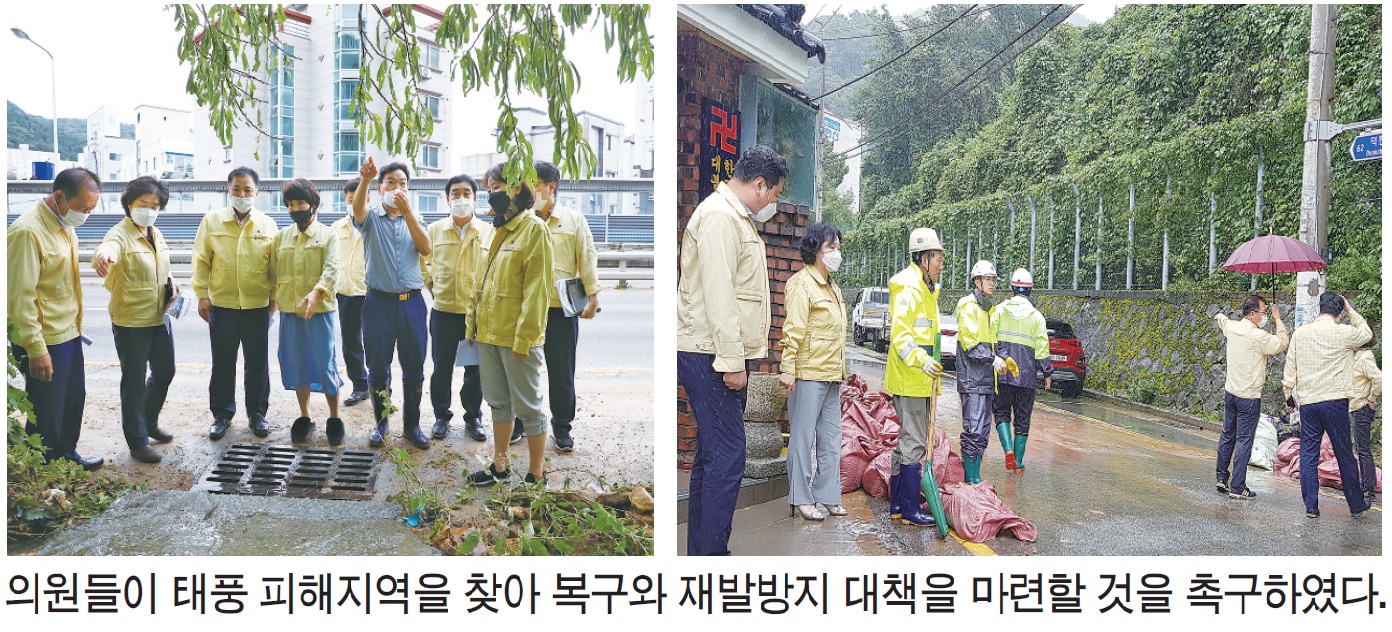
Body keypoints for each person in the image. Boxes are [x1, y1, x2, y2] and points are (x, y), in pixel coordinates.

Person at [676, 145, 784, 554]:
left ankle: (704, 551)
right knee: (728, 459)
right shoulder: (721, 217)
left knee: (712, 456)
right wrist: (733, 361)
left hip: (712, 351)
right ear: (759, 184)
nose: (771, 203)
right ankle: (711, 556)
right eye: (772, 195)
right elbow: (721, 295)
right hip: (712, 354)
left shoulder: (730, 216)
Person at [8, 167, 103, 470]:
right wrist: (36, 350)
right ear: (60, 196)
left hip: (69, 332)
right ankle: (45, 474)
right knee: (47, 410)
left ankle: (67, 457)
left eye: (91, 208)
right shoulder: (27, 232)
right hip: (45, 339)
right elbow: (19, 299)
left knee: (73, 398)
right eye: (82, 208)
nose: (86, 214)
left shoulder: (63, 223)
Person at [466, 163, 553, 487]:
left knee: (528, 407)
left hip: (517, 340)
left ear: (517, 189)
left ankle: (535, 474)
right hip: (489, 334)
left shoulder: (534, 230)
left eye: (497, 187)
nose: (492, 194)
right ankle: (500, 467)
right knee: (498, 403)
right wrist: (472, 327)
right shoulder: (497, 228)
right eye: (489, 188)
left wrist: (524, 339)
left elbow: (537, 290)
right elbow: (482, 282)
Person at [91, 176, 177, 463]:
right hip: (131, 320)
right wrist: (102, 257)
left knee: (165, 370)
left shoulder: (156, 232)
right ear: (129, 204)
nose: (150, 209)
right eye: (144, 204)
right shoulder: (120, 234)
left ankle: (149, 421)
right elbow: (107, 249)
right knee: (134, 381)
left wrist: (173, 288)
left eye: (155, 205)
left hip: (159, 317)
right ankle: (138, 441)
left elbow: (161, 269)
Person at [516, 160, 601, 452]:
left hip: (559, 309)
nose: (527, 189)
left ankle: (562, 427)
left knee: (562, 371)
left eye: (533, 184)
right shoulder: (520, 219)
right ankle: (519, 421)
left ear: (550, 187)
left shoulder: (573, 220)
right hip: (524, 307)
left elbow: (586, 256)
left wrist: (592, 294)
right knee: (520, 368)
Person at [351, 158, 433, 449]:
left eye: (402, 183)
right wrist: (364, 180)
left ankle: (412, 426)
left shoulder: (416, 217)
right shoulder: (371, 218)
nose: (396, 188)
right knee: (378, 368)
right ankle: (381, 424)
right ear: (380, 187)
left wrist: (409, 213)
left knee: (414, 368)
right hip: (378, 304)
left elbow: (426, 249)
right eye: (390, 182)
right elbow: (357, 210)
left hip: (412, 304)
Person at [192, 167, 278, 440]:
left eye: (248, 190)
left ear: (257, 192)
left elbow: (274, 266)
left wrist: (273, 299)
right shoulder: (212, 221)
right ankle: (222, 415)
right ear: (228, 190)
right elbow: (201, 260)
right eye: (237, 189)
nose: (242, 194)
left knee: (257, 363)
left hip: (256, 306)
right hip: (223, 305)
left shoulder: (267, 224)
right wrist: (202, 295)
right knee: (223, 363)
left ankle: (257, 414)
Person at [1282, 292, 1373, 519]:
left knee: (1309, 453)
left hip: (1309, 403)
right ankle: (1355, 504)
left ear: (1318, 308)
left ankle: (1311, 506)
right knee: (1343, 453)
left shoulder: (1301, 334)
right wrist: (1351, 311)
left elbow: (1290, 366)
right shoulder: (1342, 332)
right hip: (1334, 402)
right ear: (1340, 312)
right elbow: (1366, 334)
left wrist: (1288, 395)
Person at [778, 222, 846, 521]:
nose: (836, 253)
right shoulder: (801, 284)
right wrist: (788, 369)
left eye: (838, 247)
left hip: (831, 374)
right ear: (815, 249)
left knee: (831, 439)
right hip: (807, 373)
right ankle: (801, 498)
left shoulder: (833, 287)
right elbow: (793, 330)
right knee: (803, 439)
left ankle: (828, 495)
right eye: (831, 247)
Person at [272, 179, 343, 444]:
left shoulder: (328, 235)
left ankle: (334, 417)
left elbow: (332, 268)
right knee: (297, 362)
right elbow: (273, 273)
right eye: (290, 204)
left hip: (320, 312)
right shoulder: (282, 236)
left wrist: (317, 291)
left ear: (312, 204)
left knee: (325, 363)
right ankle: (305, 416)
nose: (295, 208)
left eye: (300, 202)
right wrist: (271, 302)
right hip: (290, 311)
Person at [885, 227, 947, 528]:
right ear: (924, 258)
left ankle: (898, 504)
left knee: (906, 442)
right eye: (937, 257)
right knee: (914, 442)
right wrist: (922, 362)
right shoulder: (910, 287)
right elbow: (901, 335)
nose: (941, 262)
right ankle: (910, 509)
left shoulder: (926, 287)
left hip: (919, 378)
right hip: (911, 377)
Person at [423, 173, 491, 443]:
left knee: (475, 369)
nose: (460, 198)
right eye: (455, 194)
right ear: (447, 199)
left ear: (475, 198)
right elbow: (420, 259)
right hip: (444, 312)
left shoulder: (487, 231)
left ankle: (473, 416)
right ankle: (441, 415)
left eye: (466, 193)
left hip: (476, 314)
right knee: (442, 367)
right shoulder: (435, 230)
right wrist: (430, 284)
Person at [1212, 295, 1289, 499]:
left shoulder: (1234, 328)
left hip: (1231, 393)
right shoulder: (1259, 337)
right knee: (1244, 440)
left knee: (1228, 434)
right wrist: (1278, 320)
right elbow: (1281, 343)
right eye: (1264, 312)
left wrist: (1218, 315)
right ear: (1253, 314)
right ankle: (1238, 487)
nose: (1264, 316)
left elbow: (1223, 321)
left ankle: (1221, 477)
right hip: (1249, 397)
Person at [989, 268, 1053, 474]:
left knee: (1001, 413)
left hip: (1003, 373)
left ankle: (1007, 449)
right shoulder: (1037, 317)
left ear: (1012, 288)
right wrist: (1047, 373)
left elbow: (991, 339)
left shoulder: (999, 311)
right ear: (1030, 290)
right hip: (1027, 377)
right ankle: (1017, 462)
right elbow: (1042, 347)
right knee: (1023, 419)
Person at [954, 260, 1010, 485]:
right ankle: (971, 477)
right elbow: (971, 345)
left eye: (994, 279)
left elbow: (993, 342)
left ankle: (975, 475)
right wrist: (993, 358)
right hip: (972, 380)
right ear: (976, 281)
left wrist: (1004, 357)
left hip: (987, 380)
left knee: (983, 430)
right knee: (974, 429)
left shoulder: (990, 308)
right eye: (988, 279)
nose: (992, 283)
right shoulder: (968, 306)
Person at [332, 178, 371, 406]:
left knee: (376, 342)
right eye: (349, 199)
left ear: (367, 199)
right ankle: (360, 385)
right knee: (351, 341)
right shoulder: (337, 228)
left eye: (357, 198)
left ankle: (380, 387)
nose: (353, 202)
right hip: (346, 292)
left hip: (372, 292)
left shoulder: (376, 224)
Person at [1349, 336, 1381, 504]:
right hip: (1357, 406)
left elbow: (1379, 378)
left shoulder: (1366, 356)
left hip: (1362, 407)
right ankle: (1366, 486)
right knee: (1361, 448)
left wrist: (1371, 398)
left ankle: (1369, 489)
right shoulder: (1360, 355)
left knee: (1363, 449)